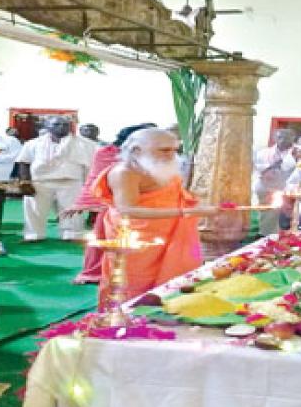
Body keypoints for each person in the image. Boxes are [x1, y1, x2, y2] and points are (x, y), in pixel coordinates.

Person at [91, 128, 230, 308]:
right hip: (137, 237)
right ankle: (126, 319)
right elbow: (127, 210)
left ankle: (169, 312)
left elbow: (175, 197)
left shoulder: (160, 166)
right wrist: (183, 213)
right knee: (135, 283)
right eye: (164, 150)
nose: (171, 155)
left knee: (175, 277)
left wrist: (200, 207)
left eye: (174, 150)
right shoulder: (124, 172)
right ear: (136, 150)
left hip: (171, 233)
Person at [68, 122, 157, 284]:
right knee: (105, 238)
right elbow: (95, 178)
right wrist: (84, 202)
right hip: (113, 205)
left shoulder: (151, 154)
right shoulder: (106, 153)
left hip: (146, 203)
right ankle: (95, 272)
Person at [15, 116, 99, 242]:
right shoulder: (33, 143)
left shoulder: (85, 144)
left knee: (72, 212)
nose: (62, 127)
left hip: (71, 182)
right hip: (40, 183)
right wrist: (25, 181)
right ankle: (33, 235)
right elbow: (23, 162)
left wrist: (89, 186)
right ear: (48, 126)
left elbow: (93, 165)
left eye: (66, 124)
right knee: (34, 210)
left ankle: (72, 235)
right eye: (57, 124)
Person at [252, 129, 298, 236]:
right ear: (275, 138)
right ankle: (267, 238)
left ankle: (289, 239)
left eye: (287, 137)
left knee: (290, 217)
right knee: (268, 216)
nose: (283, 140)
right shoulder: (263, 153)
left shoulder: (298, 152)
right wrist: (272, 168)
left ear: (293, 139)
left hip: (289, 190)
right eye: (280, 137)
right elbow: (261, 170)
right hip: (267, 188)